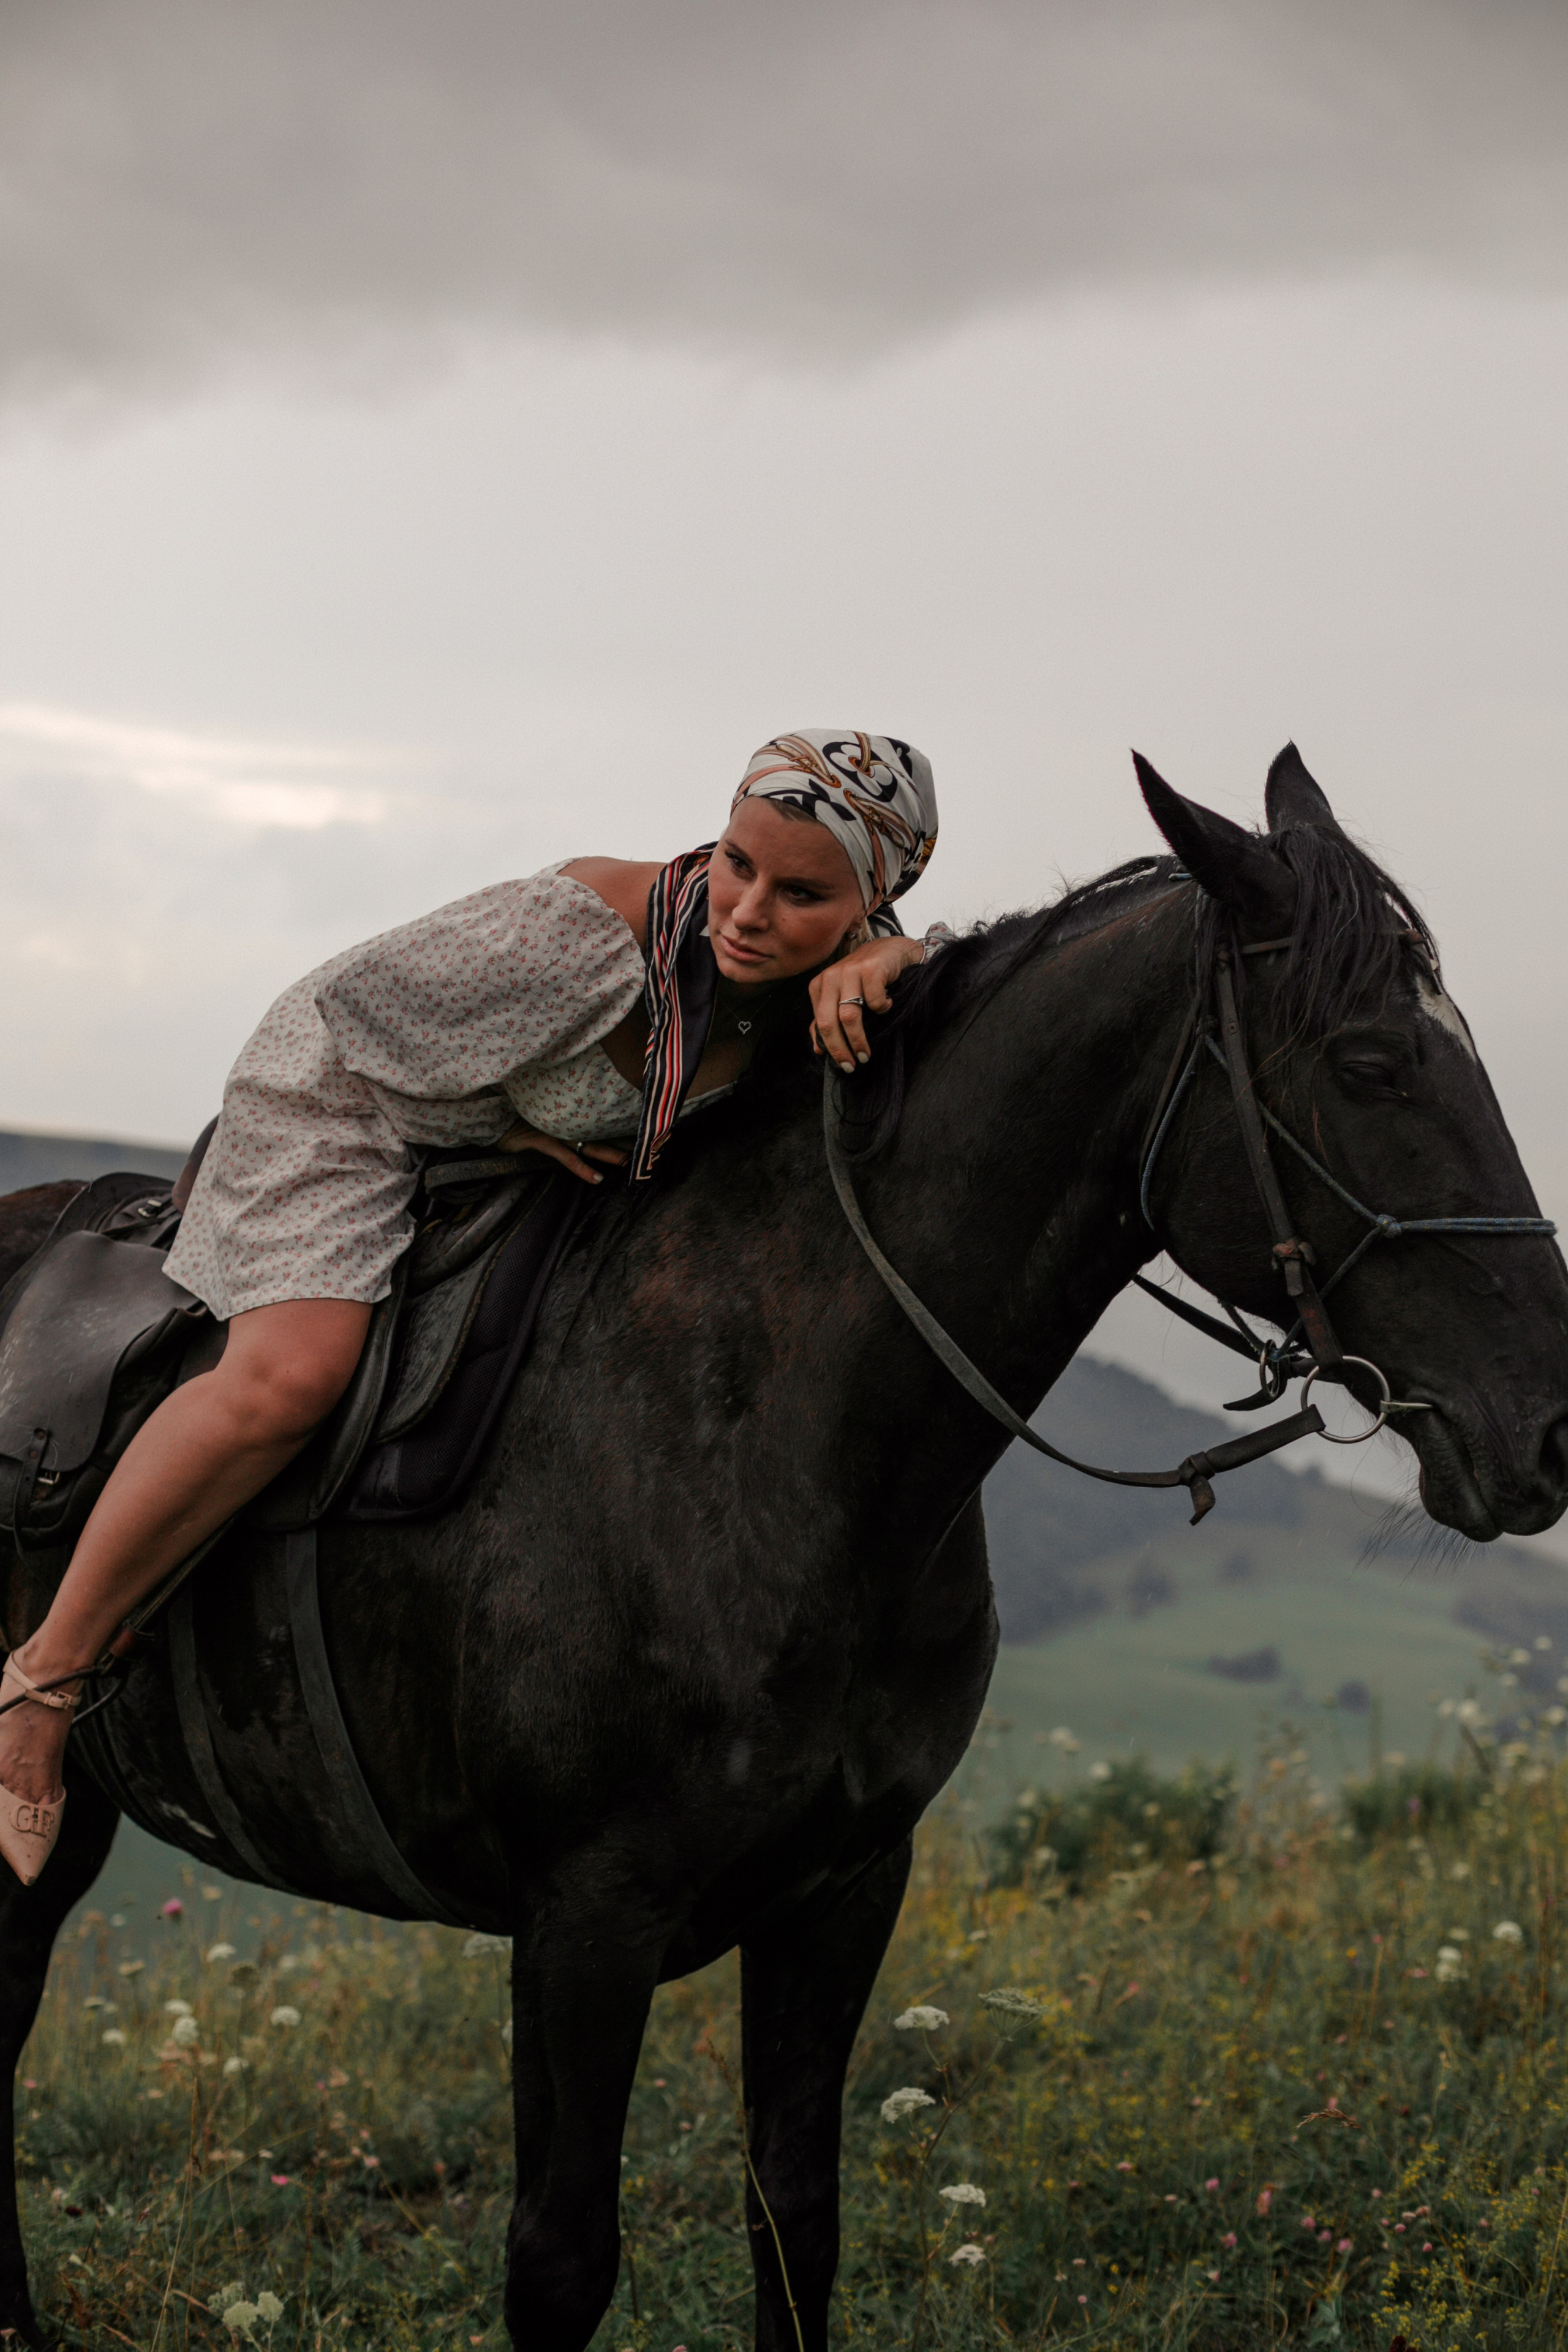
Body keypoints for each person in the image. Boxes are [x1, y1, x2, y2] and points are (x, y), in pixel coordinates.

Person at [0, 729, 943, 1881]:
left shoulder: (838, 970)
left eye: (802, 894)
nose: (746, 910)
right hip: (351, 1102)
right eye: (739, 862)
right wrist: (495, 1124)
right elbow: (348, 1018)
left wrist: (894, 965)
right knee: (291, 1374)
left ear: (875, 898)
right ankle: (43, 1680)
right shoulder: (588, 938)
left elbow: (954, 980)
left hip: (510, 1134)